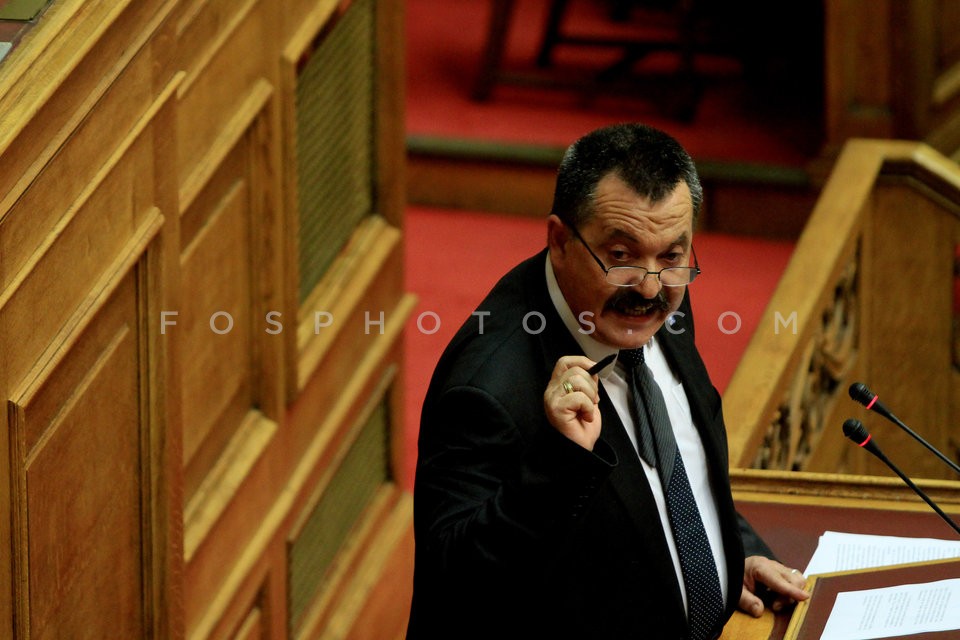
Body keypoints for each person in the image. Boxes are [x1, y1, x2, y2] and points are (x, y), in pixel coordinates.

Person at [407, 123, 808, 639]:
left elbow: (681, 462)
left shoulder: (661, 294)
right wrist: (561, 465)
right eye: (620, 257)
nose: (649, 287)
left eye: (671, 256)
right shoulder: (487, 389)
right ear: (559, 241)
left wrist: (735, 548)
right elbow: (457, 587)